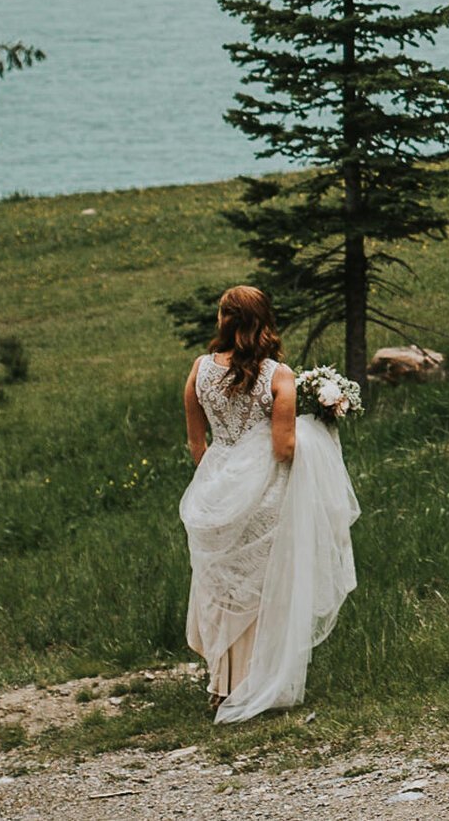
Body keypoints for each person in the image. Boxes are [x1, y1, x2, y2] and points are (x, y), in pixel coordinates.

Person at [178, 285, 359, 721]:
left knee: (222, 587)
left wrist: (219, 479)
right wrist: (318, 430)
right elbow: (283, 448)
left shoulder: (199, 370)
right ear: (264, 321)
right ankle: (259, 683)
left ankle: (222, 686)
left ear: (224, 319)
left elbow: (196, 443)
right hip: (266, 496)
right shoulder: (279, 376)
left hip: (215, 490)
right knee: (265, 590)